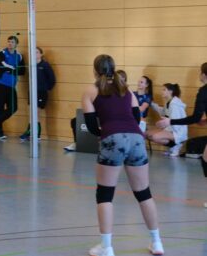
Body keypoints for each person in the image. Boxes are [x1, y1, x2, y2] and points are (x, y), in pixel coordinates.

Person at [82, 55, 163, 256]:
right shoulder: (126, 89)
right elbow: (136, 117)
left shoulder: (91, 91)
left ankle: (106, 247)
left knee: (105, 194)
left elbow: (91, 126)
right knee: (143, 193)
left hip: (112, 138)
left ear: (95, 70)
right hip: (136, 139)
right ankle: (157, 242)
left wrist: (105, 134)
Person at [156, 62, 207, 206]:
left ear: (204, 74)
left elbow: (195, 118)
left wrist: (170, 121)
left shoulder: (203, 91)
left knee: (206, 159)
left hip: (178, 130)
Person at [65, 70, 128, 152]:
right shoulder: (103, 88)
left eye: (122, 78)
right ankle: (77, 143)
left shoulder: (125, 92)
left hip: (111, 117)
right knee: (75, 121)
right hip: (98, 113)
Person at [0, 35, 25, 140]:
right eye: (9, 41)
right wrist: (14, 69)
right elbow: (3, 66)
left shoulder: (19, 56)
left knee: (13, 107)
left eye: (12, 42)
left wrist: (11, 70)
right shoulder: (1, 53)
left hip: (11, 86)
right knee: (0, 107)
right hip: (0, 83)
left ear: (16, 44)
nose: (10, 43)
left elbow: (22, 71)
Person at [20, 46, 55, 142]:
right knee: (31, 114)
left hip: (41, 92)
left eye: (36, 52)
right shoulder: (31, 65)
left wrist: (46, 88)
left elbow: (52, 79)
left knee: (36, 114)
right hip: (31, 92)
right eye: (33, 52)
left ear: (41, 54)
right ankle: (31, 133)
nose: (34, 54)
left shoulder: (45, 65)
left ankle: (34, 134)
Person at [147, 83, 187, 156]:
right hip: (171, 130)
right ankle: (173, 146)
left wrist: (164, 128)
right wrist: (152, 104)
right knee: (148, 134)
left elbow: (176, 123)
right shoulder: (169, 102)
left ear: (170, 91)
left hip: (178, 132)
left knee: (155, 137)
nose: (161, 92)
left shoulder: (175, 105)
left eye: (164, 90)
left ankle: (177, 144)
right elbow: (163, 112)